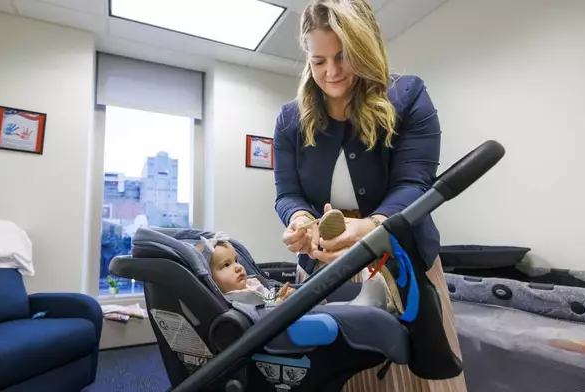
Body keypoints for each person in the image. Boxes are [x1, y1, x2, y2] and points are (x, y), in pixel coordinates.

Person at [272, 0, 467, 391]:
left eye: (343, 56)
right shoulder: (291, 119)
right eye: (319, 60)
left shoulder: (408, 96)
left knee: (412, 377)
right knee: (338, 373)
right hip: (323, 262)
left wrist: (367, 228)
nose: (331, 72)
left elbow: (414, 185)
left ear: (365, 46)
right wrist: (298, 221)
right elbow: (288, 193)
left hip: (400, 256)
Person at [197, 231, 390, 309]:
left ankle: (365, 302)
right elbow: (259, 318)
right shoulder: (234, 300)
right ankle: (366, 304)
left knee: (320, 301)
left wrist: (279, 296)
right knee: (327, 313)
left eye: (236, 260)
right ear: (210, 280)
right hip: (279, 329)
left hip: (284, 312)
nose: (238, 266)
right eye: (226, 265)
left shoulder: (248, 285)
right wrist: (279, 302)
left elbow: (266, 299)